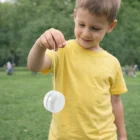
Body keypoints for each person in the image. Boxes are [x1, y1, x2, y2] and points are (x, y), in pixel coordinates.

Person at [27, 0, 128, 140]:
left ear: (110, 26)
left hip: (104, 136)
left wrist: (122, 136)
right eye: (81, 24)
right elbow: (34, 66)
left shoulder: (112, 63)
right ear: (75, 16)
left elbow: (115, 102)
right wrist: (40, 45)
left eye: (95, 28)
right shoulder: (62, 50)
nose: (86, 33)